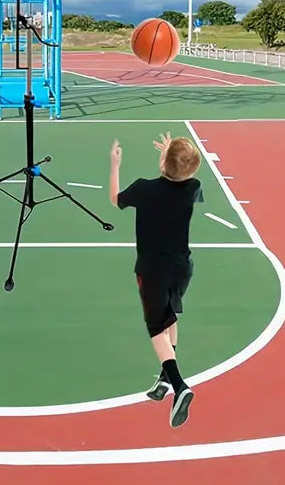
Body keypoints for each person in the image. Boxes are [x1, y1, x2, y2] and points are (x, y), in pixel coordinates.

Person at [109, 132, 203, 428]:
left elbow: (115, 200)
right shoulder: (194, 187)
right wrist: (172, 154)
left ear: (162, 162)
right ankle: (164, 380)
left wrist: (115, 166)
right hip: (181, 268)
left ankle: (179, 386)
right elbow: (180, 174)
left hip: (152, 270)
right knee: (170, 316)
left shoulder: (143, 189)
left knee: (155, 329)